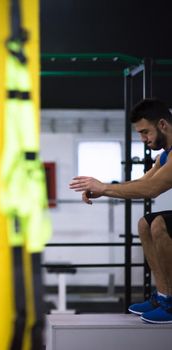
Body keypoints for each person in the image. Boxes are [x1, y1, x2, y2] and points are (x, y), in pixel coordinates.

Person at [69, 98, 172, 324]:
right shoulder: (163, 157)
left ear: (163, 125)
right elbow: (142, 182)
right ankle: (165, 297)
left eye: (146, 133)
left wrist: (104, 187)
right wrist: (103, 190)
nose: (143, 140)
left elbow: (152, 189)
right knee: (145, 223)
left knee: (159, 224)